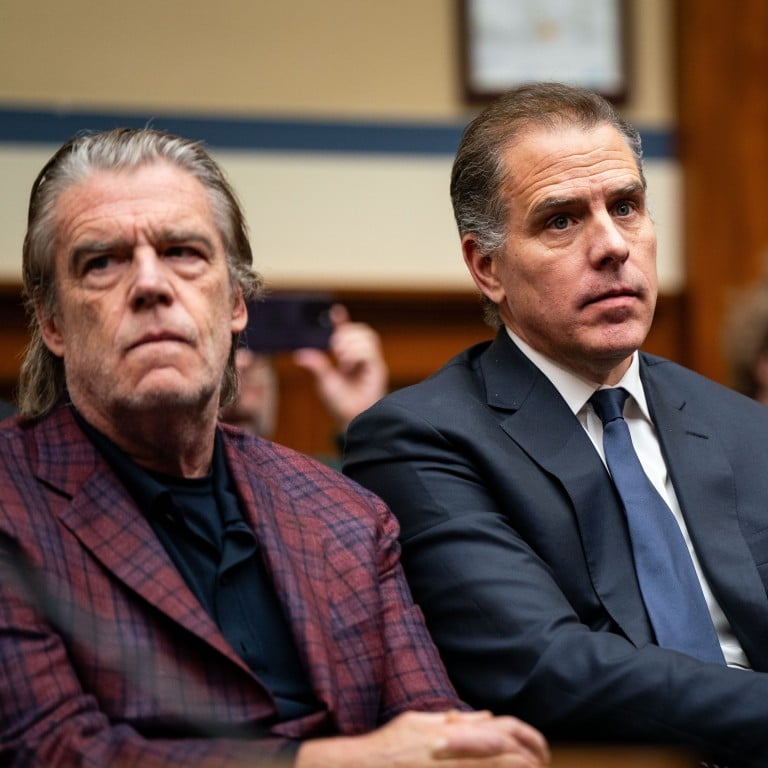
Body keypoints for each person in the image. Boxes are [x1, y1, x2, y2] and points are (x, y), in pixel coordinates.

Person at [0, 127, 549, 768]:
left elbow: (430, 729)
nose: (149, 285)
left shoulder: (346, 514)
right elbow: (53, 752)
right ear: (53, 322)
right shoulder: (13, 502)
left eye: (183, 252)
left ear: (236, 303)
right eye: (103, 262)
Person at [343, 82, 768, 768]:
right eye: (561, 220)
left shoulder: (740, 425)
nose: (611, 247)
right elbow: (548, 668)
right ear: (487, 268)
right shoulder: (421, 440)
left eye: (626, 207)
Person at [220, 303, 388, 452]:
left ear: (275, 382)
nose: (237, 389)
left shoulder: (318, 483)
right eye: (223, 369)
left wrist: (361, 423)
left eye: (253, 369)